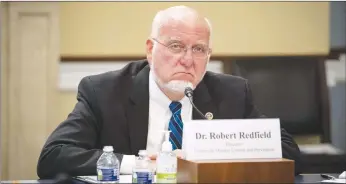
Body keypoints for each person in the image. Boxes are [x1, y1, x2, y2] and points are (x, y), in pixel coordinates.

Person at [37, 5, 302, 179]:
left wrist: (207, 156)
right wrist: (140, 165)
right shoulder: (105, 91)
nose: (188, 60)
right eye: (176, 46)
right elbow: (53, 156)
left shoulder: (231, 92)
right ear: (151, 50)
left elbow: (290, 154)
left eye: (199, 49)